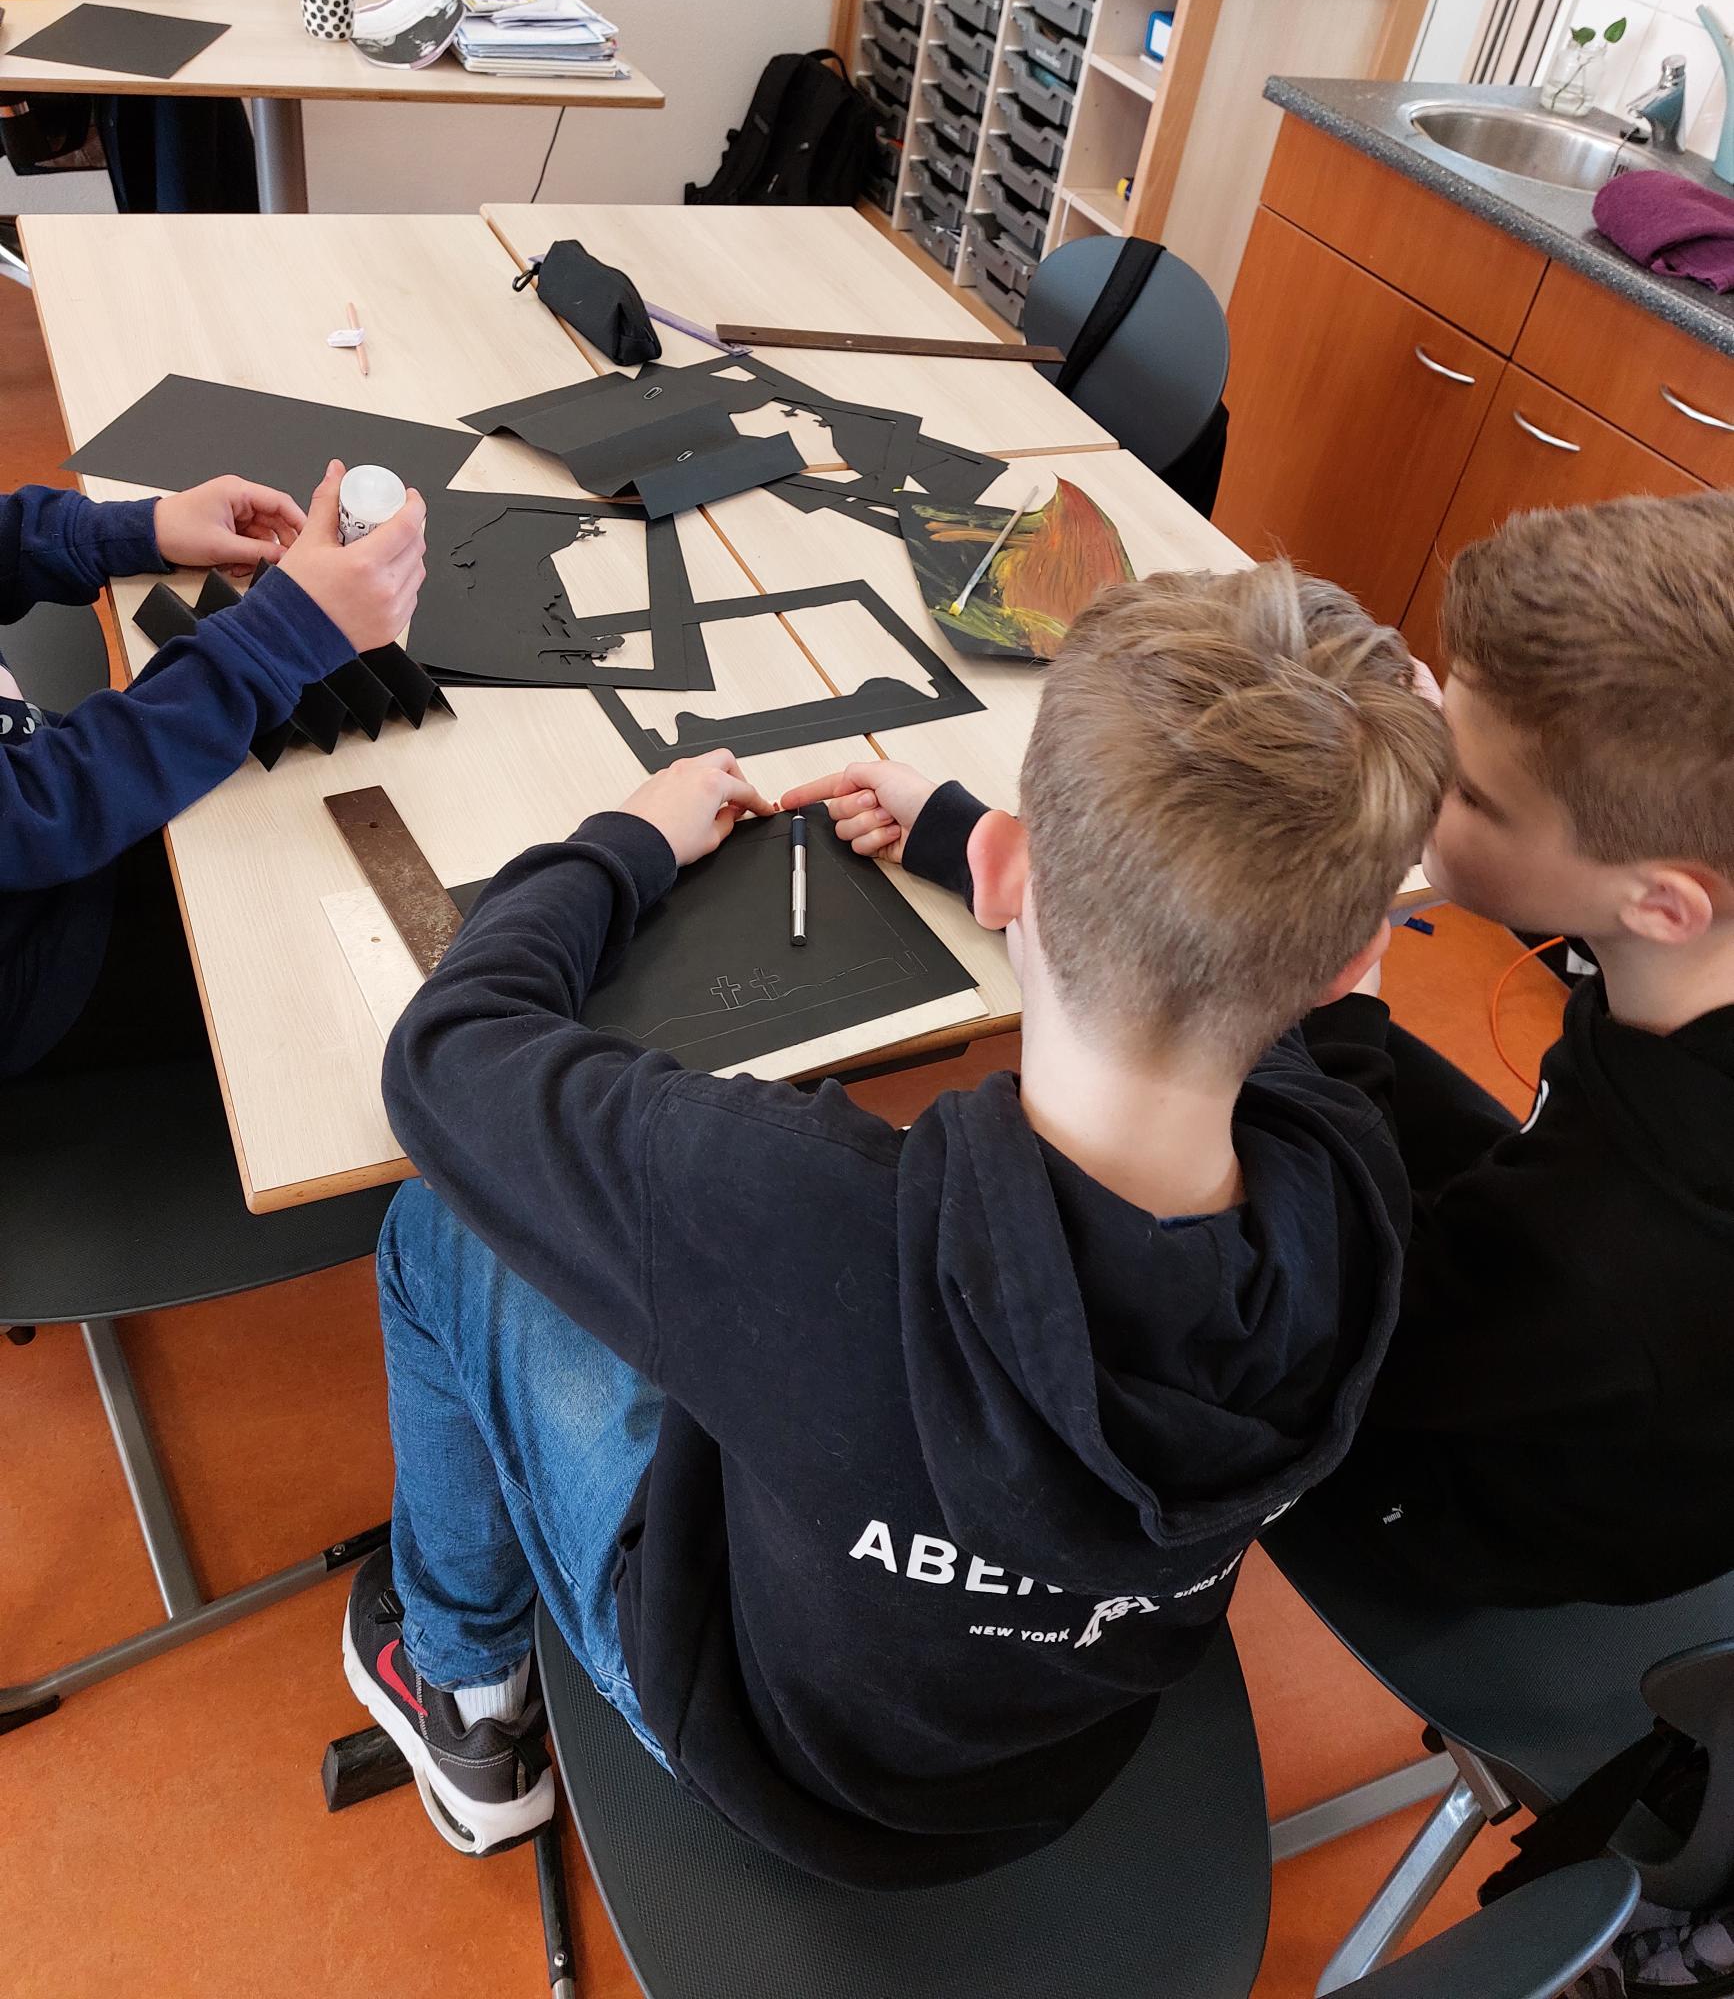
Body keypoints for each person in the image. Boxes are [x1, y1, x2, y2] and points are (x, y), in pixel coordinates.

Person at [345, 562, 1448, 1881]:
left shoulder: (802, 1219)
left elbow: (444, 1060)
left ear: (1010, 878)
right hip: (1050, 1763)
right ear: (1348, 965)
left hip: (761, 1739)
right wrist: (980, 840)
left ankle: (465, 1693)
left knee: (437, 1236)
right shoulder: (1357, 1195)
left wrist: (623, 842)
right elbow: (1313, 1044)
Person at [1303, 492, 1734, 1607]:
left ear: (1664, 903)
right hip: (1572, 1342)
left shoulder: (1612, 1248)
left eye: (1468, 792)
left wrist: (1339, 1022)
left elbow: (1358, 1346)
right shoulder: (1678, 983)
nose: (1420, 787)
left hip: (1472, 1506)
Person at [0, 460, 426, 1081]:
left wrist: (131, 530)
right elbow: (38, 815)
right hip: (41, 961)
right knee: (362, 987)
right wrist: (285, 632)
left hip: (46, 787)